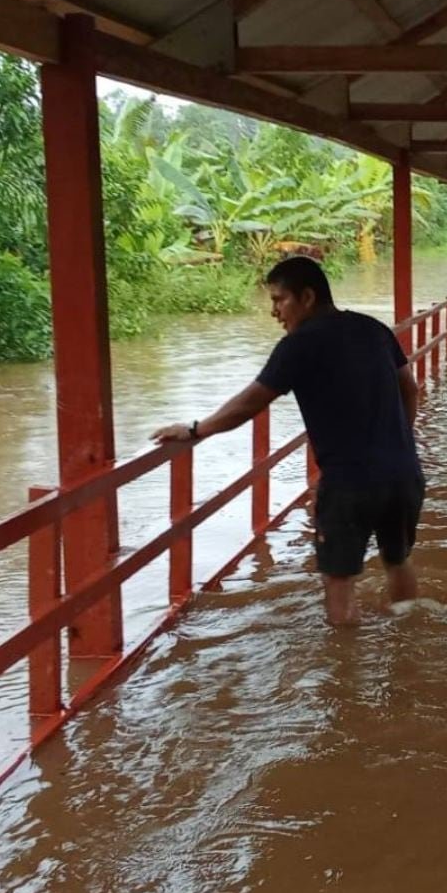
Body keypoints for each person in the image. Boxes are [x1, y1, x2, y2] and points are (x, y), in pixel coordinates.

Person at [153, 256, 422, 627]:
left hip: (349, 483)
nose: (274, 312)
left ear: (307, 297)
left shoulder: (300, 345)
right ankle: (409, 648)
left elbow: (249, 403)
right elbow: (411, 387)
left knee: (339, 582)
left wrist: (197, 429)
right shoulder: (372, 328)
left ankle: (345, 676)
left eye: (280, 300)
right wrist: (401, 441)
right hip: (404, 474)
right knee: (397, 560)